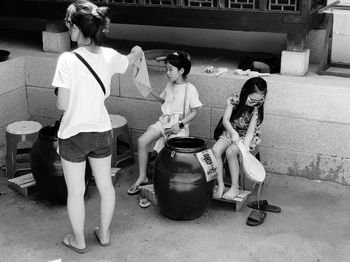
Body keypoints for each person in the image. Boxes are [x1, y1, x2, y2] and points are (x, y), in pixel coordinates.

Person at [53, 0, 143, 254]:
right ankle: (104, 233)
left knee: (76, 190)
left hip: (73, 134)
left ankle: (79, 241)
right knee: (105, 185)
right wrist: (136, 51)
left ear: (75, 29)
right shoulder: (110, 56)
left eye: (68, 24)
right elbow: (129, 61)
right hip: (102, 130)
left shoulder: (67, 60)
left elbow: (62, 104)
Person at [127, 52, 203, 195]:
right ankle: (142, 176)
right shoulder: (169, 85)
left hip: (178, 126)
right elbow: (164, 101)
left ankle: (168, 183)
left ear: (181, 70)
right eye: (166, 69)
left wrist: (180, 124)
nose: (167, 73)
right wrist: (149, 90)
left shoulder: (190, 89)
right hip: (164, 122)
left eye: (170, 69)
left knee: (171, 154)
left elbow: (195, 112)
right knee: (142, 141)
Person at [212, 77, 267, 200]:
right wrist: (232, 132)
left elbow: (250, 132)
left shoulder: (256, 110)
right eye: (252, 100)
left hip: (247, 136)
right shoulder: (234, 100)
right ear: (245, 93)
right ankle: (220, 184)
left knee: (231, 151)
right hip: (231, 131)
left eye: (259, 101)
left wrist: (245, 147)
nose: (255, 104)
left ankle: (235, 187)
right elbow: (226, 120)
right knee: (215, 150)